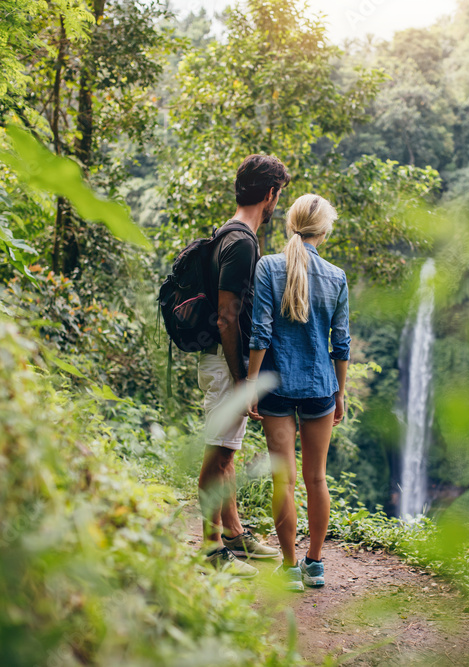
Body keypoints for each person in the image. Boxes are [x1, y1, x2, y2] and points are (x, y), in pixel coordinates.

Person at [246, 193, 350, 592]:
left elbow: (260, 332)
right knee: (316, 479)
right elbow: (340, 343)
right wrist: (339, 392)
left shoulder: (268, 266)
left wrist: (253, 384)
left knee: (283, 482)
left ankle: (290, 568)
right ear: (324, 230)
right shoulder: (336, 277)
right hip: (320, 387)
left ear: (291, 225)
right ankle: (316, 564)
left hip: (275, 385)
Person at [198, 154, 290, 577]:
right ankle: (211, 549)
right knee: (218, 454)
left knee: (227, 450)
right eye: (278, 196)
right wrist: (242, 381)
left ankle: (234, 535)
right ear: (270, 195)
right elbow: (226, 316)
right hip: (225, 360)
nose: (277, 206)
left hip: (220, 358)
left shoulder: (228, 234)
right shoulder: (243, 242)